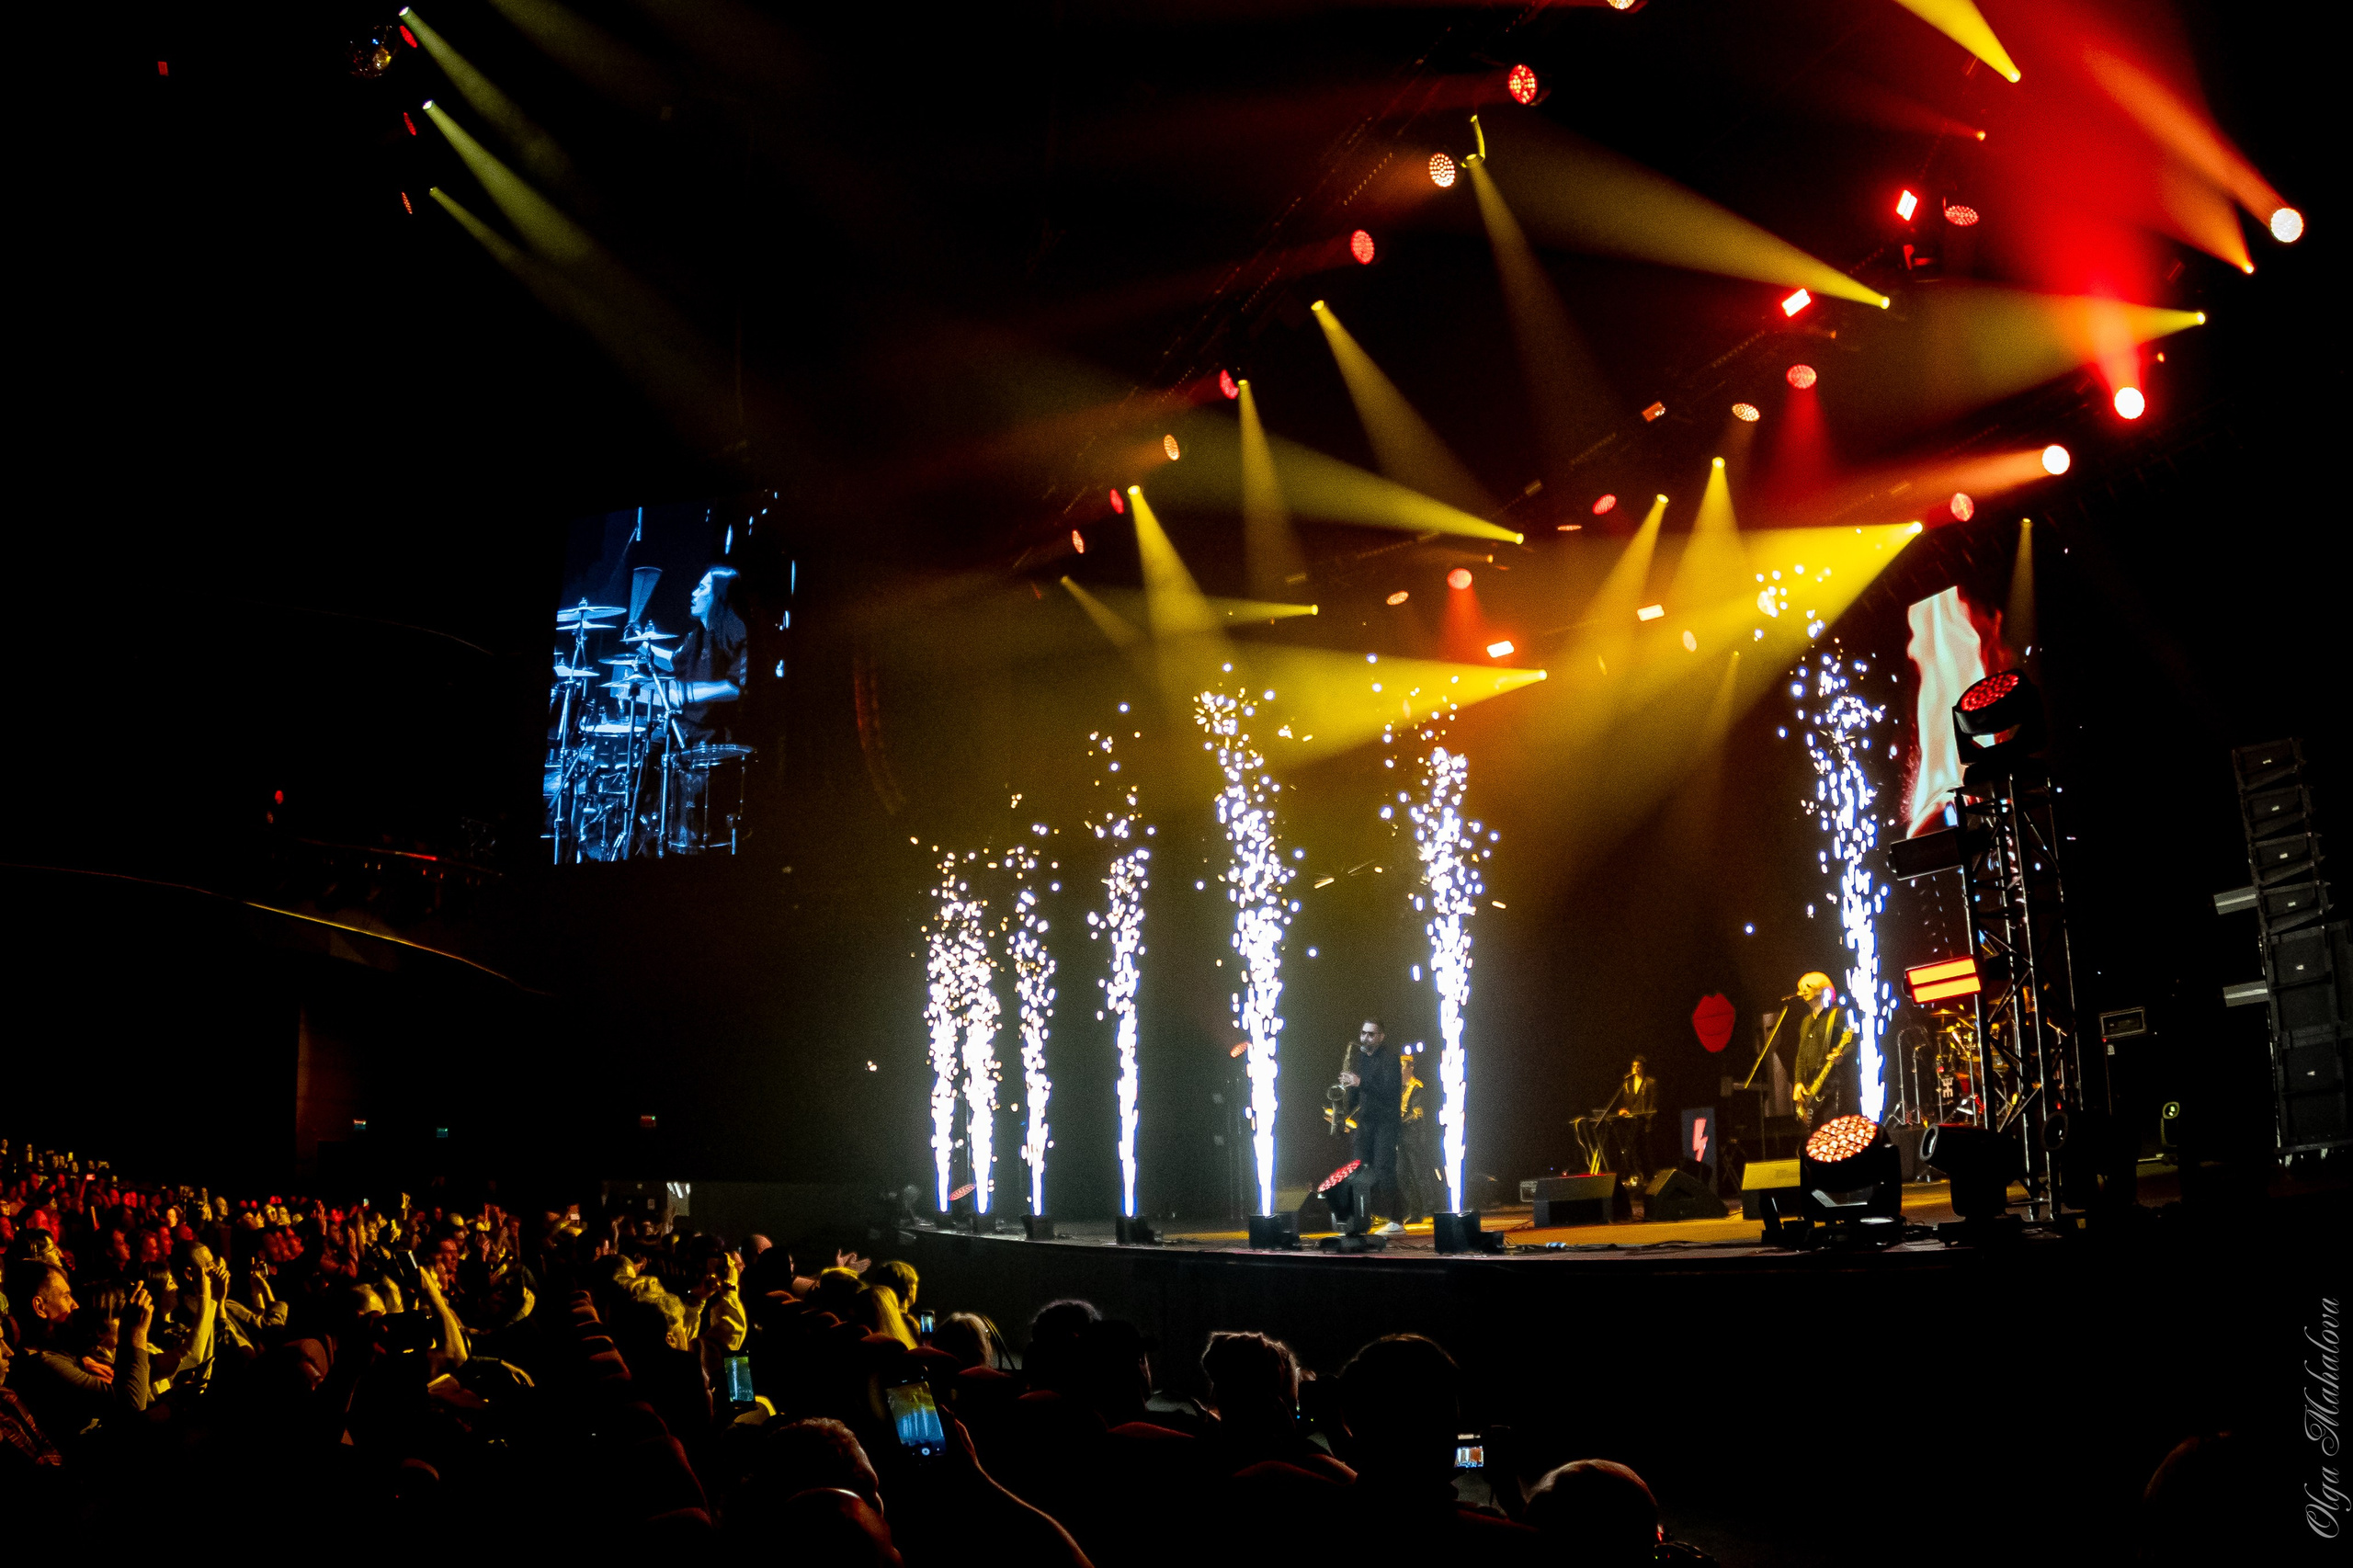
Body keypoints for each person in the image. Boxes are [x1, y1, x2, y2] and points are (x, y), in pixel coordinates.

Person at [1336, 1019, 1404, 1234]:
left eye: (1371, 1034)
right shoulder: (1361, 1059)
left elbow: (1389, 1091)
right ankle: (1361, 1216)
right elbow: (1359, 1094)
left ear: (1381, 1036)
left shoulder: (1390, 1059)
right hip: (1365, 1122)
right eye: (1363, 1033)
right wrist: (1343, 1108)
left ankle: (1397, 1219)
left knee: (1384, 1168)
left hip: (1386, 1122)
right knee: (1357, 1168)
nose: (1365, 1038)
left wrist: (1360, 1082)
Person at [1790, 971, 1859, 1129]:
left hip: (1832, 1087)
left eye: (1808, 986)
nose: (1803, 990)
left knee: (1832, 1132)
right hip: (1812, 1088)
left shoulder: (1838, 1015)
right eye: (1802, 987)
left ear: (1822, 990)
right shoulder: (1806, 1021)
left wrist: (1842, 1056)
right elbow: (1801, 1056)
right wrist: (1798, 1082)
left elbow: (1853, 1044)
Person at [1607, 1055, 1661, 1183]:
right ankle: (1634, 1174)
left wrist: (1647, 1119)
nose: (1636, 1068)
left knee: (1644, 1151)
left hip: (1644, 1122)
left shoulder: (1650, 1082)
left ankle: (1648, 1176)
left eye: (1639, 1066)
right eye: (1634, 1066)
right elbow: (1626, 1102)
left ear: (1643, 1067)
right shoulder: (1627, 1083)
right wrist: (1623, 1110)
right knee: (1631, 1149)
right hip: (1631, 1122)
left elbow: (1653, 1104)